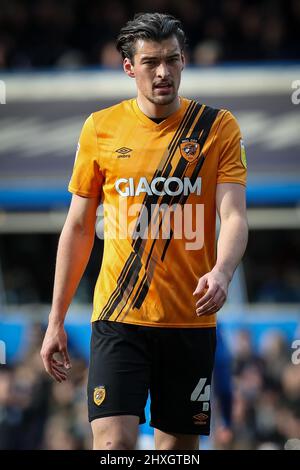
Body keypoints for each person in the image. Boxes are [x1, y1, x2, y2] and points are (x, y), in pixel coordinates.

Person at [41, 12, 248, 450]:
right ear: (128, 67)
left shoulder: (217, 128)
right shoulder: (100, 128)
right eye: (151, 62)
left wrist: (224, 271)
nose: (163, 72)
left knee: (176, 452)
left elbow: (233, 216)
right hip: (119, 317)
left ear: (183, 61)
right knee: (114, 446)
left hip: (190, 318)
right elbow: (78, 228)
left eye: (172, 60)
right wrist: (55, 319)